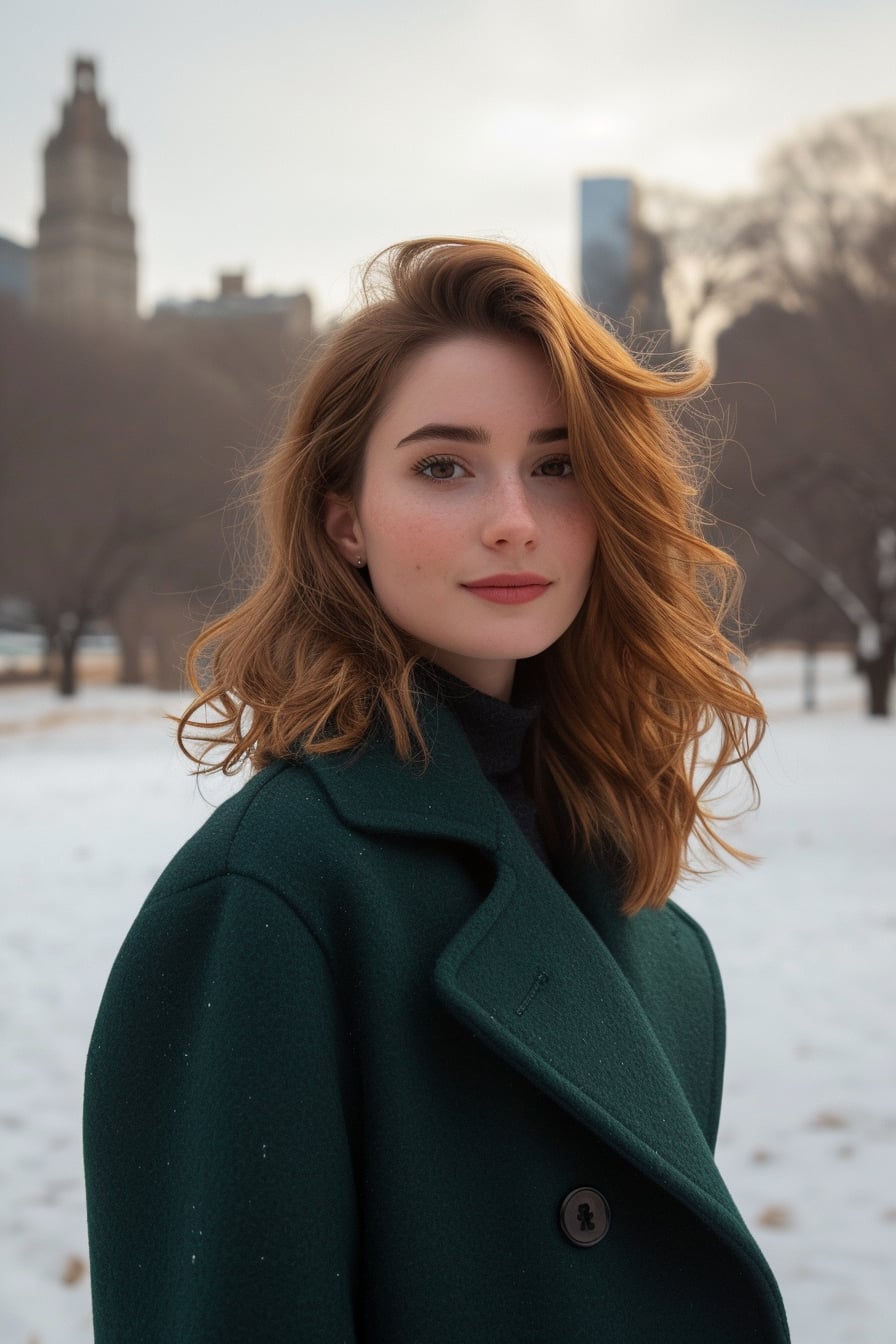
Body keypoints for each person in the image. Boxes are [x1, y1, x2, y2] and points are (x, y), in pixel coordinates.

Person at [83, 237, 790, 1342]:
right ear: (342, 519)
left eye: (555, 465)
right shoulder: (268, 901)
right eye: (443, 466)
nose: (512, 516)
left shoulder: (641, 911)